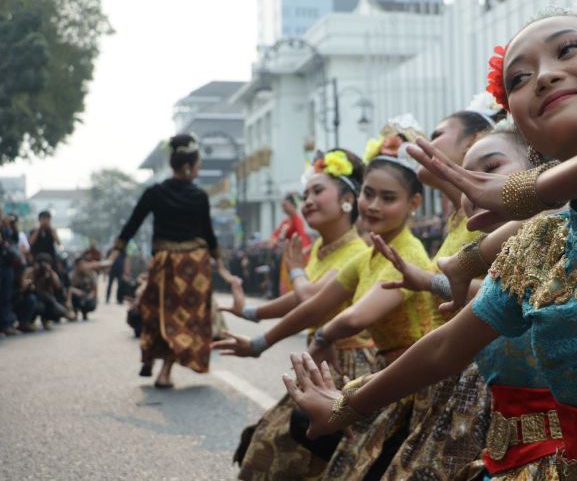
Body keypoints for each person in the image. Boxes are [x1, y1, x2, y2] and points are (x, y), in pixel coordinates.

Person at [286, 0, 577, 479]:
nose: (545, 76)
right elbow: (447, 346)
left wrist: (527, 190)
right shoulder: (542, 241)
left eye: (569, 49)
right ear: (524, 126)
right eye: (518, 78)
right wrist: (347, 405)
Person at [216, 126, 438, 480]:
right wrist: (256, 334)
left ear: (413, 204)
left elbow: (351, 316)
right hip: (375, 374)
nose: (374, 205)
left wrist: (322, 333)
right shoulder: (368, 255)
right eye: (370, 193)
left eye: (388, 197)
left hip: (406, 381)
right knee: (271, 450)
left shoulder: (404, 252)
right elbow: (316, 306)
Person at [377, 124, 568, 479]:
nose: (473, 185)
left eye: (492, 167)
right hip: (500, 447)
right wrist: (349, 404)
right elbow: (445, 345)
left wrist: (440, 277)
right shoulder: (480, 240)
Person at [215, 148, 375, 480]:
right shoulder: (318, 248)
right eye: (305, 195)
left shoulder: (357, 250)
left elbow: (314, 300)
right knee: (271, 450)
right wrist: (248, 310)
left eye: (318, 192)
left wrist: (260, 342)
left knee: (321, 462)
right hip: (319, 364)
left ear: (348, 198)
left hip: (346, 369)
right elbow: (296, 301)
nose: (307, 202)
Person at [105, 133, 237, 388]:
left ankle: (151, 356)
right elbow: (208, 234)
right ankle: (164, 371)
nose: (198, 171)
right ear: (188, 166)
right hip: (193, 268)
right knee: (184, 320)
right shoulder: (199, 196)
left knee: (157, 313)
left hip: (164, 264)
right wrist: (220, 265)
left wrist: (113, 254)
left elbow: (131, 224)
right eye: (198, 166)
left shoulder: (155, 192)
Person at [268, 192, 311, 297]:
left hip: (297, 253)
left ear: (292, 205)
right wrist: (274, 240)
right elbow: (274, 235)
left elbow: (302, 236)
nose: (283, 209)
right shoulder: (286, 222)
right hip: (287, 254)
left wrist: (304, 251)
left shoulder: (297, 220)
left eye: (285, 205)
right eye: (282, 206)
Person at [23, 253, 69, 329]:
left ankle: (46, 319)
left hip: (47, 301)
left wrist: (50, 272)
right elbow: (24, 287)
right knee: (37, 303)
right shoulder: (30, 272)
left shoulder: (49, 273)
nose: (42, 267)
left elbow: (58, 286)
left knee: (59, 310)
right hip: (34, 299)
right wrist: (34, 274)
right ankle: (30, 321)